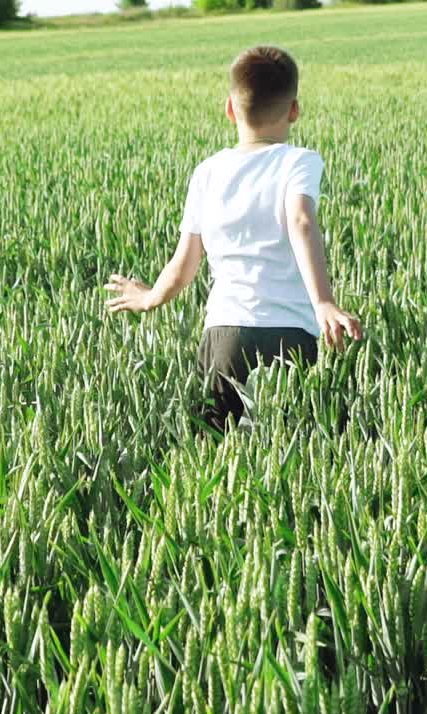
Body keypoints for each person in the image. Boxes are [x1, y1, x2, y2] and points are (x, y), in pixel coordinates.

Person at [104, 45, 362, 432]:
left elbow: (184, 263)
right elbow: (301, 221)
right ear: (294, 110)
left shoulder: (208, 172)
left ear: (229, 108)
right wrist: (323, 301)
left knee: (220, 450)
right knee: (297, 448)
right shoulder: (299, 161)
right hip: (291, 333)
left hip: (225, 336)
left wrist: (149, 297)